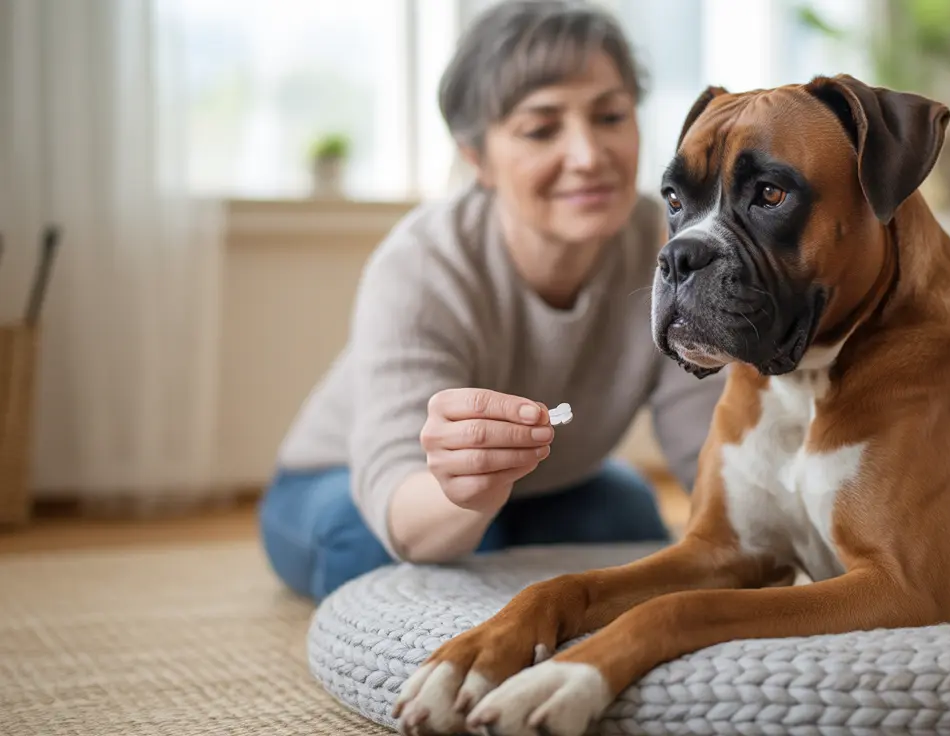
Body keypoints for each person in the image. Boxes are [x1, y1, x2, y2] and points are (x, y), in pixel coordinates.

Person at [258, 0, 725, 603]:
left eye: (610, 116)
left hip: (545, 484)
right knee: (380, 556)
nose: (588, 156)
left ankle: (494, 531)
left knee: (629, 520)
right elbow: (400, 495)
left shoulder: (669, 249)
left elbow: (710, 457)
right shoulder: (423, 264)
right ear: (476, 158)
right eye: (540, 129)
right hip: (351, 483)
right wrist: (466, 497)